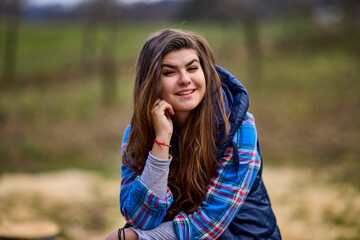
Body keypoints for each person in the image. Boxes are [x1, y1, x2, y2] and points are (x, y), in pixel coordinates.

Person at [106, 29, 281, 240]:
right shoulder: (136, 134)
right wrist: (161, 141)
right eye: (169, 72)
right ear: (151, 82)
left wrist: (138, 238)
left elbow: (209, 225)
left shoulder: (239, 128)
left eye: (192, 68)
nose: (185, 79)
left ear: (205, 72)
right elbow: (140, 219)